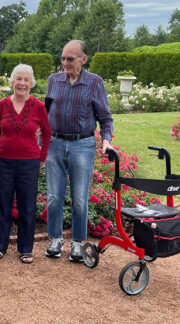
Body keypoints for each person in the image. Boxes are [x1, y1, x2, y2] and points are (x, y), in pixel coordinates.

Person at [44, 40, 113, 262]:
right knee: (54, 197)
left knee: (80, 198)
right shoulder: (53, 81)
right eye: (63, 58)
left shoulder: (95, 83)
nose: (65, 63)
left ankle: (77, 242)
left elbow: (105, 117)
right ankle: (55, 239)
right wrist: (40, 141)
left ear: (83, 59)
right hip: (54, 144)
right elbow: (44, 114)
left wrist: (106, 140)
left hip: (82, 145)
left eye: (70, 59)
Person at [0, 64, 51, 264]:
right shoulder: (2, 104)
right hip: (3, 161)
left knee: (27, 206)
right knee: (3, 205)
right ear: (12, 82)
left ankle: (25, 248)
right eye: (18, 79)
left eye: (26, 79)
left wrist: (42, 158)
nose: (22, 83)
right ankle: (0, 246)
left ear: (31, 83)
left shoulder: (39, 106)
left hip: (28, 163)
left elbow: (47, 134)